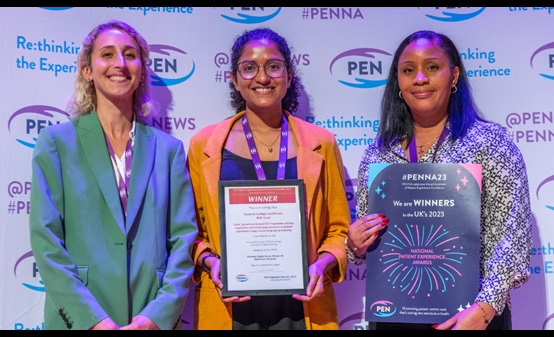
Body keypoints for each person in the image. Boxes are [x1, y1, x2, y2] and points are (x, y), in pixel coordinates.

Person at [346, 30, 532, 330]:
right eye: (408, 70)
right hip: (397, 317)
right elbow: (368, 247)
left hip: (472, 318)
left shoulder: (489, 143)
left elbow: (513, 236)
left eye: (432, 67)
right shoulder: (379, 154)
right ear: (398, 83)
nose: (419, 78)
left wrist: (484, 310)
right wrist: (354, 245)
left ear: (454, 76)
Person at [29, 20, 198, 330]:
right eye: (107, 54)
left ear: (142, 71)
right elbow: (46, 242)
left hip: (149, 320)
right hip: (79, 322)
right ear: (87, 69)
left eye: (130, 55)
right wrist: (93, 321)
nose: (119, 63)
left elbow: (184, 241)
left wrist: (156, 316)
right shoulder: (56, 144)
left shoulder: (169, 150)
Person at [186, 27, 350, 330]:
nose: (262, 78)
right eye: (249, 68)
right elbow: (189, 233)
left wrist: (322, 264)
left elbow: (340, 230)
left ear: (288, 76)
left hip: (303, 308)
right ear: (234, 79)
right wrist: (212, 262)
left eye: (273, 67)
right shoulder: (204, 147)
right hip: (229, 309)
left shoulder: (321, 144)